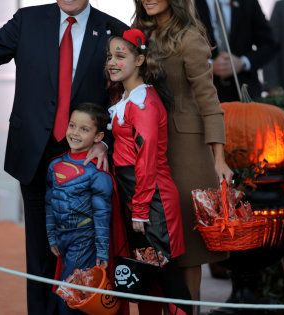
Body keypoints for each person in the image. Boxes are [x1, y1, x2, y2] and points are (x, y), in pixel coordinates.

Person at [0, 2, 126, 314]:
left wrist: (105, 142)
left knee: (80, 251)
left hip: (84, 161)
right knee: (41, 251)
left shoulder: (112, 30)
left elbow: (122, 95)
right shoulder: (28, 20)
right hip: (34, 152)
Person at [132, 0, 234, 309]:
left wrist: (219, 159)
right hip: (143, 146)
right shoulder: (136, 33)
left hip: (186, 153)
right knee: (150, 244)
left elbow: (208, 99)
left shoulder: (190, 37)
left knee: (188, 251)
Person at [106, 26, 192, 314]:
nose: (112, 62)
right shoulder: (127, 99)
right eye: (110, 56)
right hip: (138, 194)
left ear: (139, 61)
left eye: (121, 55)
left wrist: (140, 208)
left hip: (152, 199)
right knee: (150, 275)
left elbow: (147, 158)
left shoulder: (144, 102)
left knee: (167, 276)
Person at [45, 103, 113, 314]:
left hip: (84, 239)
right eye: (72, 125)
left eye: (84, 129)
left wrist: (102, 250)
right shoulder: (54, 165)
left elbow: (102, 215)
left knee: (70, 293)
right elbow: (49, 202)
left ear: (98, 136)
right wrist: (51, 235)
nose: (75, 132)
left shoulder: (98, 172)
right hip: (62, 238)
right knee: (72, 291)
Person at [194, 0, 277, 101]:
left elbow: (269, 45)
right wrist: (209, 66)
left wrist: (243, 62)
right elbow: (178, 47)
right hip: (203, 96)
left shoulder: (248, 2)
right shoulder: (189, 4)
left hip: (245, 93)